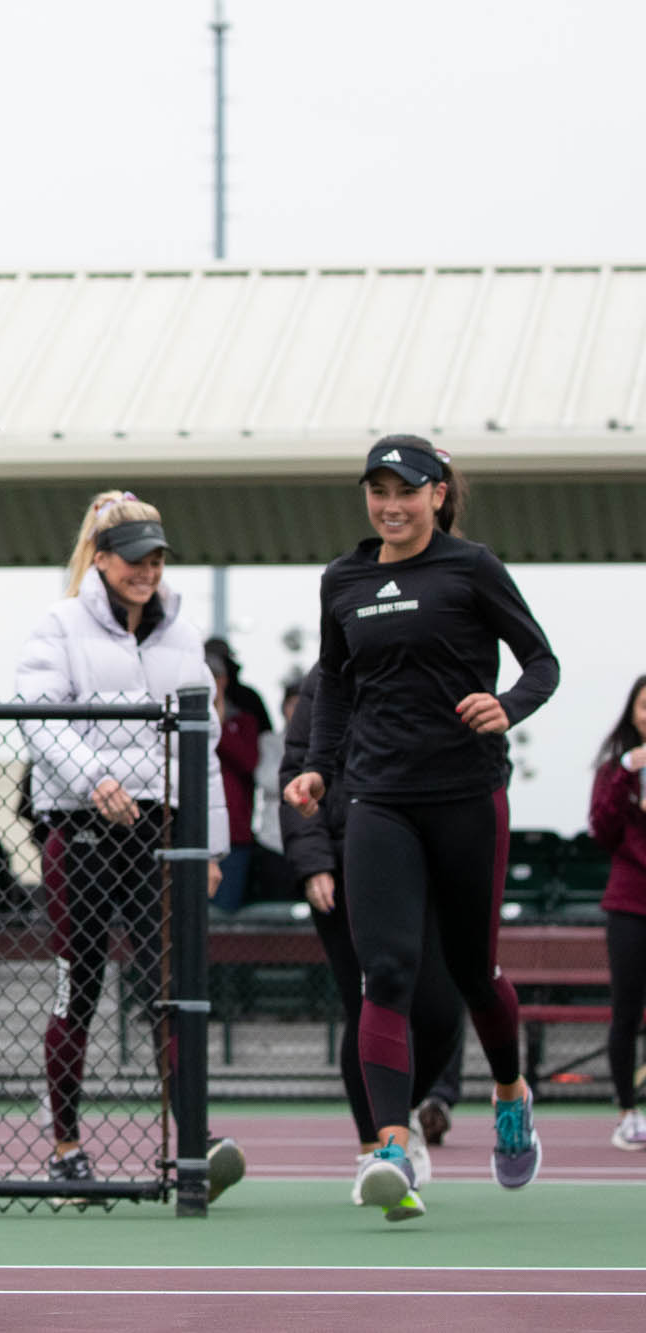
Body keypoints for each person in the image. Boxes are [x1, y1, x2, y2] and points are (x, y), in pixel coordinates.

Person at [285, 435, 560, 1219]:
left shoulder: (471, 569)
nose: (390, 505)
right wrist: (320, 766)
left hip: (467, 795)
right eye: (377, 491)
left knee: (474, 971)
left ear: (438, 493)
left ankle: (510, 1090)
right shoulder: (345, 579)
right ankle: (392, 1145)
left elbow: (541, 661)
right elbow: (334, 683)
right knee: (388, 973)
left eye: (405, 490)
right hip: (377, 799)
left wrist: (508, 706)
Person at [15, 491, 239, 1206]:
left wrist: (211, 846)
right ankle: (66, 1148)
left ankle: (191, 1148)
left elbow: (202, 752)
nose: (147, 571)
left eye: (157, 559)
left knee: (171, 992)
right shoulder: (58, 624)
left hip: (160, 835)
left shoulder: (183, 635)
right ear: (103, 559)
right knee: (76, 990)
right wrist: (92, 778)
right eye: (135, 558)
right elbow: (39, 718)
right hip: (80, 830)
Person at [279, 664, 468, 1219]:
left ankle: (397, 1113)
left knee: (439, 1012)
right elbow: (297, 771)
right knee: (369, 1004)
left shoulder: (441, 667)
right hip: (343, 861)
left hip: (428, 862)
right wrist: (313, 861)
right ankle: (377, 1149)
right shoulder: (326, 680)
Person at [588, 673, 646, 1150]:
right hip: (630, 903)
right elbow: (602, 830)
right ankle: (627, 1110)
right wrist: (627, 771)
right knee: (626, 1011)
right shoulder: (616, 770)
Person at [207, 642, 262, 912]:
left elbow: (248, 761)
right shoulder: (173, 718)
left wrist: (215, 723)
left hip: (233, 833)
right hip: (184, 831)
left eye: (214, 676)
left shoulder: (244, 720)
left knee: (224, 918)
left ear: (224, 680)